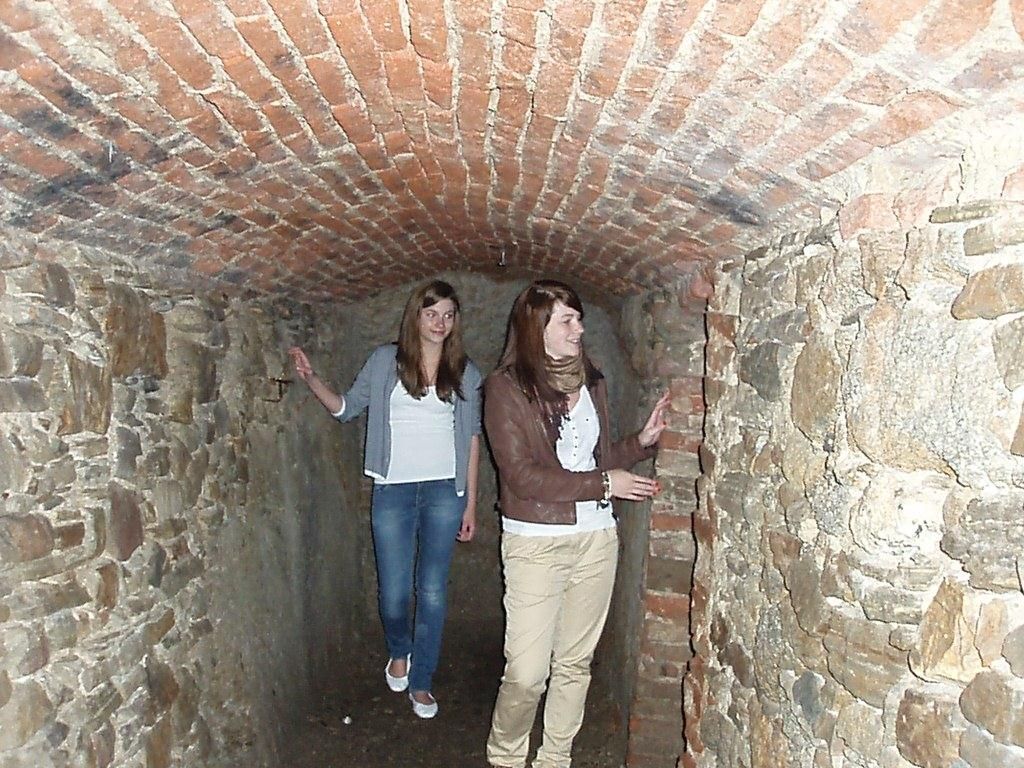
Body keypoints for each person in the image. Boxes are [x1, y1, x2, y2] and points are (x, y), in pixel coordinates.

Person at [484, 280, 670, 768]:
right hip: (535, 542)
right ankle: (505, 757)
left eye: (579, 318)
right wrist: (606, 484)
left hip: (595, 539)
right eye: (567, 320)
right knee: (526, 673)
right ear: (536, 328)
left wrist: (639, 444)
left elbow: (593, 459)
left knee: (574, 665)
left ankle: (555, 759)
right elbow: (522, 476)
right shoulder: (505, 388)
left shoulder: (592, 380)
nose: (579, 329)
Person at [288, 279, 481, 720]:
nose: (440, 323)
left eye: (448, 315)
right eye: (431, 314)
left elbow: (471, 438)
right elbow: (345, 409)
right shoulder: (383, 361)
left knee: (432, 590)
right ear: (416, 316)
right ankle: (399, 649)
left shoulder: (466, 372)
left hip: (444, 491)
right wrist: (311, 378)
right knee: (394, 591)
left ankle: (423, 681)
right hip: (393, 489)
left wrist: (470, 503)